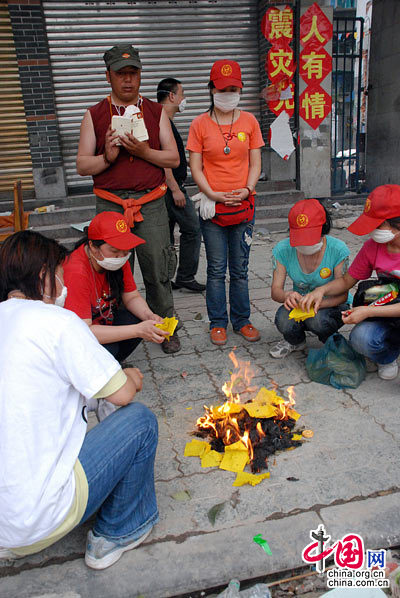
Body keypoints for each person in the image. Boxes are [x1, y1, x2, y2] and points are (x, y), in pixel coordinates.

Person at [0, 230, 158, 570]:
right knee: (139, 421)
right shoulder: (56, 321)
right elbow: (122, 393)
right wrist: (129, 375)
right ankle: (117, 531)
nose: (63, 281)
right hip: (32, 522)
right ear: (44, 276)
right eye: (59, 272)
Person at [76, 43, 181, 353]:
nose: (128, 80)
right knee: (111, 269)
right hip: (110, 204)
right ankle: (112, 331)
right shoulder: (94, 114)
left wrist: (143, 152)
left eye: (133, 73)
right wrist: (108, 157)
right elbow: (83, 165)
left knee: (157, 268)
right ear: (108, 76)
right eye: (121, 74)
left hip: (150, 202)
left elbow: (173, 159)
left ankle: (165, 326)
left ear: (140, 75)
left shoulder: (155, 111)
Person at [187, 59, 264, 346]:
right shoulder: (199, 124)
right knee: (217, 269)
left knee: (241, 269)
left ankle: (242, 320)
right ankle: (218, 322)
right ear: (211, 89)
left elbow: (255, 162)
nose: (228, 93)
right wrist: (212, 193)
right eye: (222, 88)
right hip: (214, 209)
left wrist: (248, 188)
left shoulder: (250, 121)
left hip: (244, 207)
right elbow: (195, 167)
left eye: (233, 88)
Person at [63, 211, 169, 420]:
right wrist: (139, 330)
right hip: (81, 338)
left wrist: (149, 316)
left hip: (104, 322)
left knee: (138, 319)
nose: (121, 256)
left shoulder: (117, 261)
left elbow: (131, 297)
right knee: (112, 345)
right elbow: (83, 333)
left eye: (125, 251)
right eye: (114, 251)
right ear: (93, 246)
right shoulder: (76, 270)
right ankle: (100, 378)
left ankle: (110, 364)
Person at [301, 184, 400, 381]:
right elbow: (347, 280)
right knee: (360, 339)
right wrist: (321, 290)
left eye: (378, 225)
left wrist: (368, 312)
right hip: (390, 302)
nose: (373, 230)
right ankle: (387, 356)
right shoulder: (373, 246)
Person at [269, 198, 350, 358]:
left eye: (311, 238)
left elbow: (343, 296)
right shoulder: (282, 250)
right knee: (282, 319)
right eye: (301, 238)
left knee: (317, 320)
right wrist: (287, 295)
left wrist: (318, 304)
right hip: (301, 305)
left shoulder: (338, 250)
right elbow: (275, 291)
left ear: (324, 229)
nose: (305, 244)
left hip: (330, 305)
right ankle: (296, 341)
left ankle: (331, 341)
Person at [157, 77, 205, 293]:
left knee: (167, 236)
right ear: (172, 96)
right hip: (170, 188)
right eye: (182, 94)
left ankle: (168, 279)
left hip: (169, 187)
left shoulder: (164, 120)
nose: (184, 99)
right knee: (193, 229)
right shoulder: (160, 120)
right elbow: (161, 159)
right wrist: (175, 188)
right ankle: (183, 276)